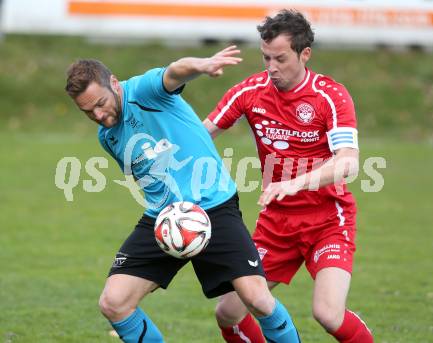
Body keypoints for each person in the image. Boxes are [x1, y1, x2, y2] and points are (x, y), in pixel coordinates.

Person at [65, 46, 301, 343]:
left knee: (258, 300)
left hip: (214, 208)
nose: (98, 114)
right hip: (163, 218)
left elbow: (175, 71)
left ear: (114, 83)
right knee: (114, 303)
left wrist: (202, 65)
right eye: (88, 111)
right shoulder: (108, 137)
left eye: (100, 103)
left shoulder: (144, 90)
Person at [204, 10, 374, 343]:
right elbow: (202, 133)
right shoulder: (250, 91)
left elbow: (348, 163)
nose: (271, 67)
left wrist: (294, 182)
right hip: (276, 226)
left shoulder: (329, 96)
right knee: (228, 312)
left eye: (280, 58)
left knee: (327, 314)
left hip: (327, 221)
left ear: (304, 53)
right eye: (266, 57)